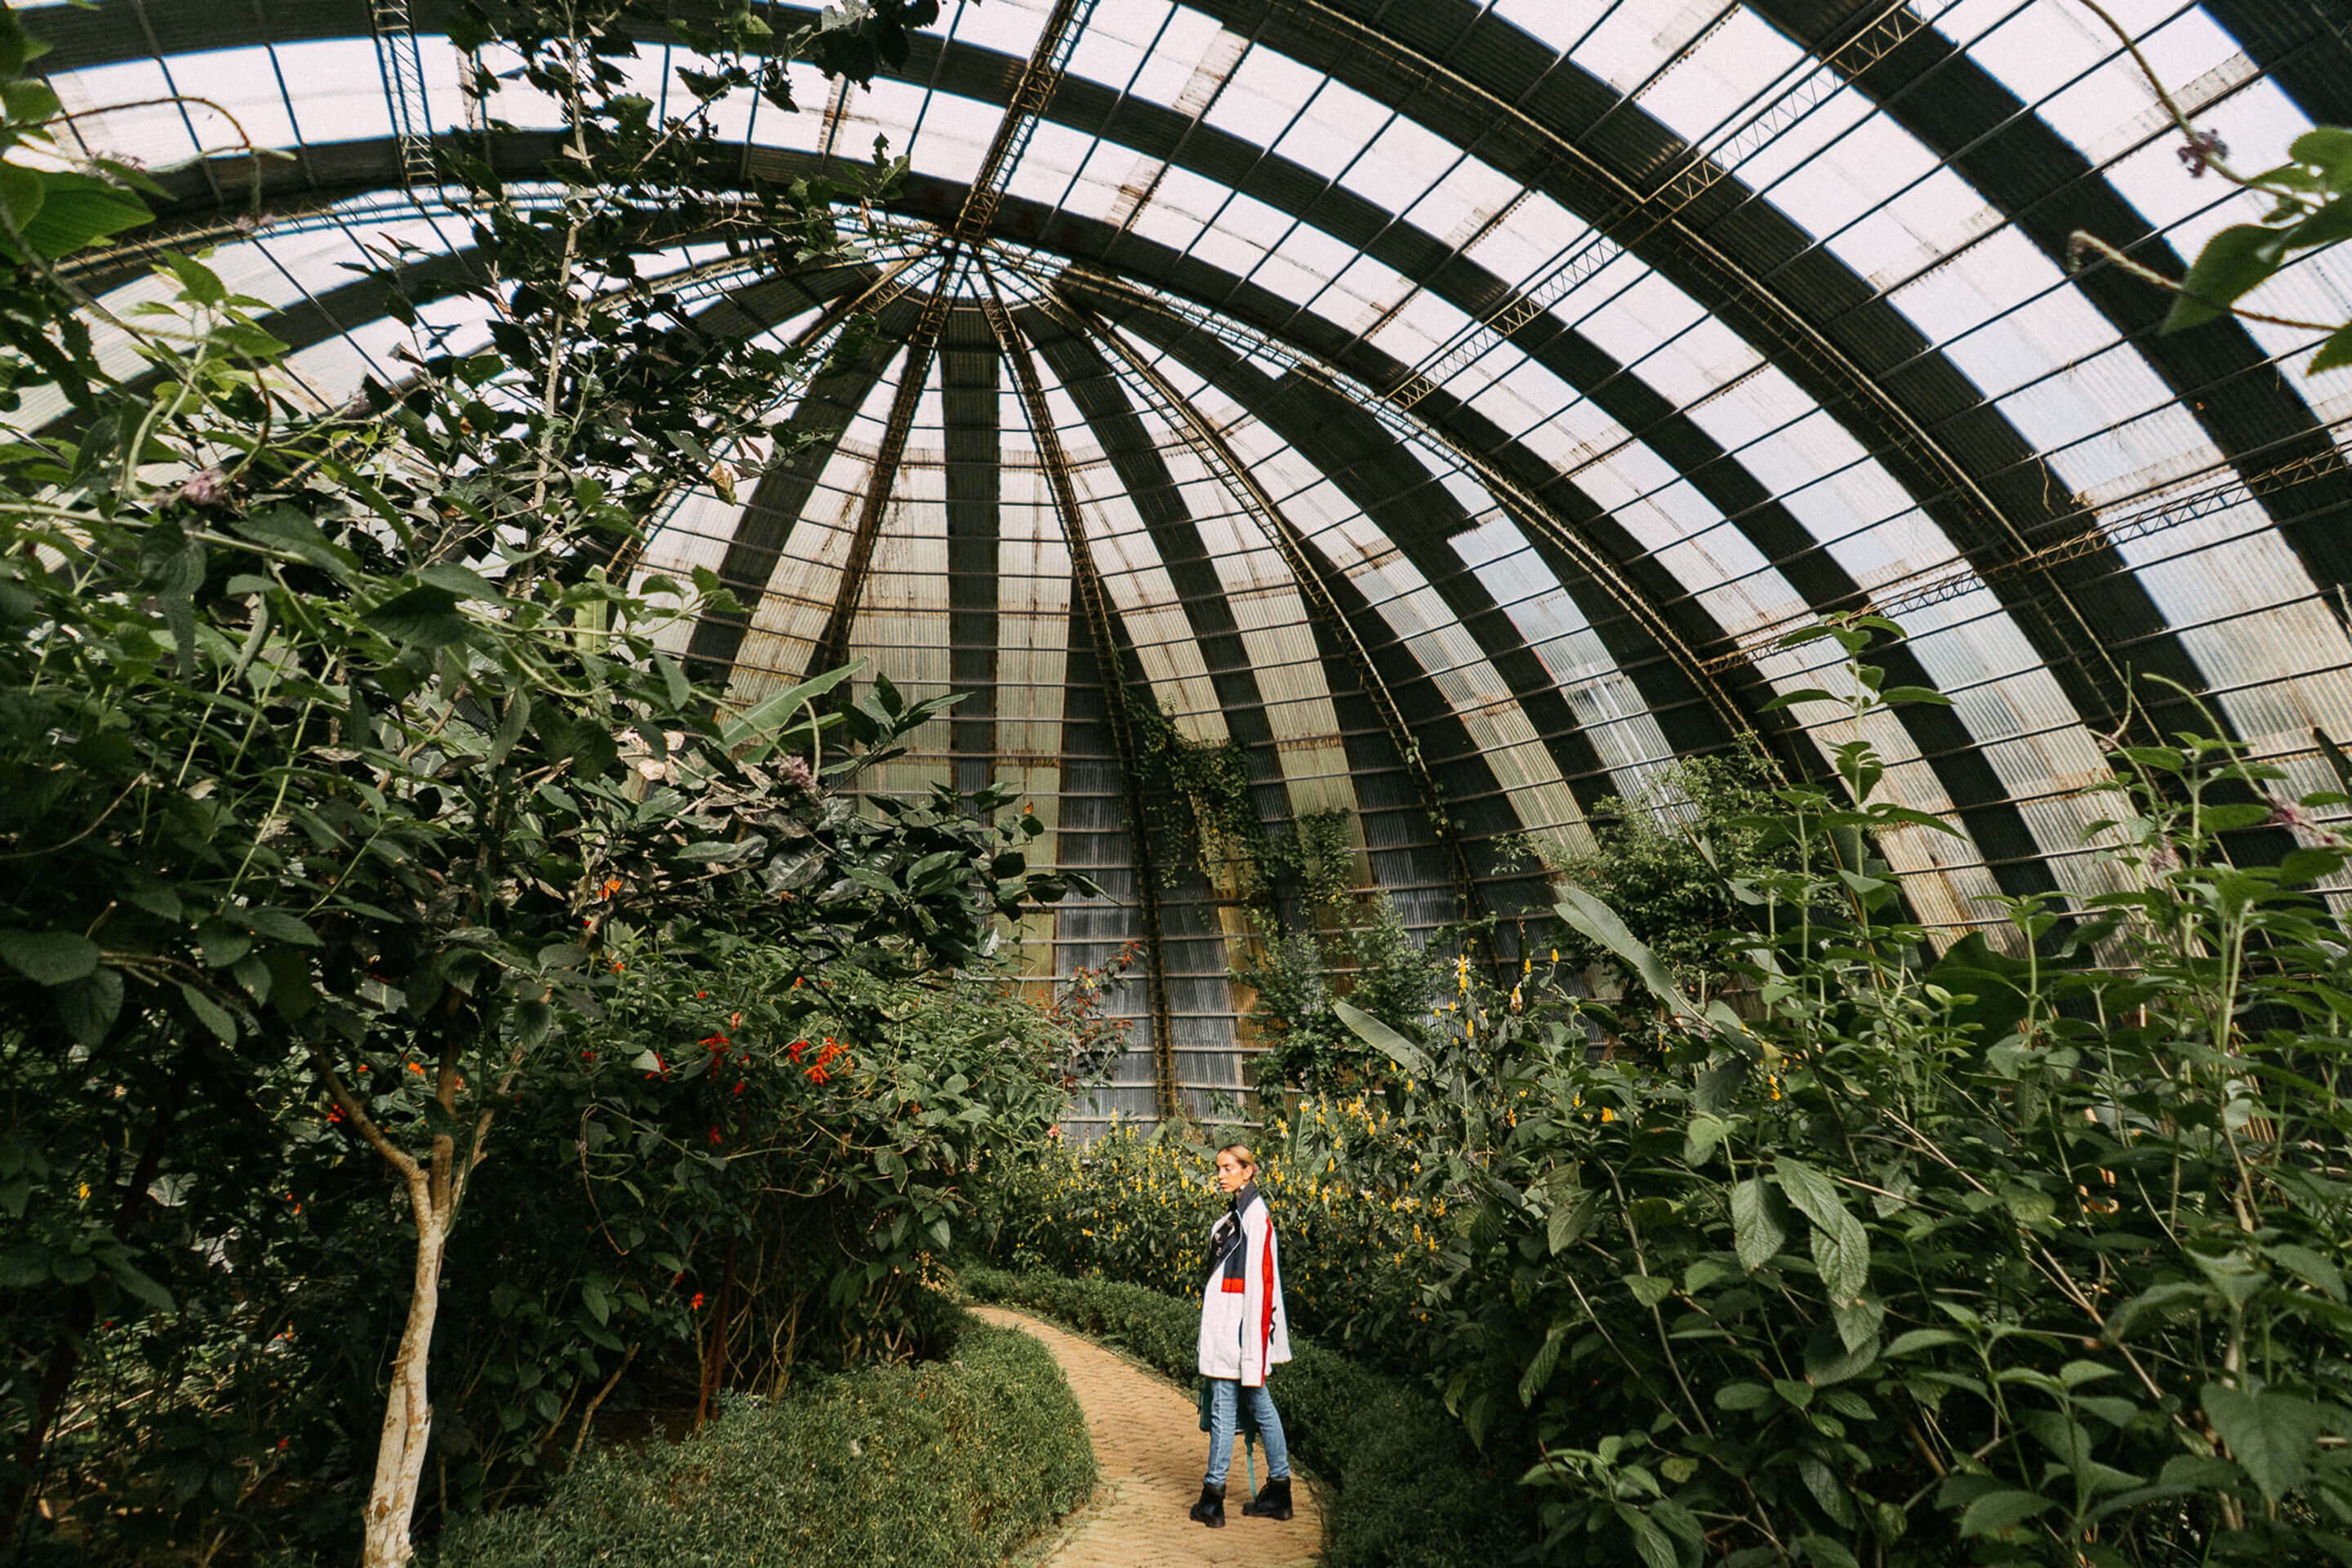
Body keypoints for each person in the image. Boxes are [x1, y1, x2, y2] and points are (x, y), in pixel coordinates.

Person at [1190, 1142, 1294, 1528]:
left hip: (1235, 1335)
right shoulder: (1239, 1215)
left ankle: (1213, 1499)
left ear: (1249, 1171)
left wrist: (1252, 1347)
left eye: (1229, 1168)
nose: (1220, 1175)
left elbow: (1263, 1287)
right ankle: (1279, 1491)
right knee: (1256, 1405)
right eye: (1218, 1168)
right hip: (1233, 1332)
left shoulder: (1255, 1217)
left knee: (1223, 1409)